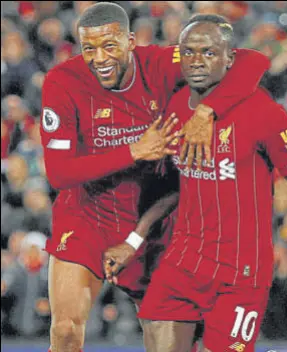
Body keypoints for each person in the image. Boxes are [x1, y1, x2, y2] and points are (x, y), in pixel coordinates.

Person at [40, 3, 263, 352]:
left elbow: (250, 60)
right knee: (66, 330)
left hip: (156, 224)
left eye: (110, 45)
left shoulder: (160, 64)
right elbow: (59, 173)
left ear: (130, 41)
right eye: (89, 48)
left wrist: (206, 111)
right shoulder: (63, 82)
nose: (99, 58)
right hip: (87, 217)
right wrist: (134, 150)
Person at [106, 14, 287, 352]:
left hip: (241, 274)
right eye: (189, 52)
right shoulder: (176, 107)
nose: (197, 61)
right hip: (182, 264)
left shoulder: (261, 112)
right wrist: (134, 240)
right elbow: (176, 190)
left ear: (229, 58)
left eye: (209, 53)